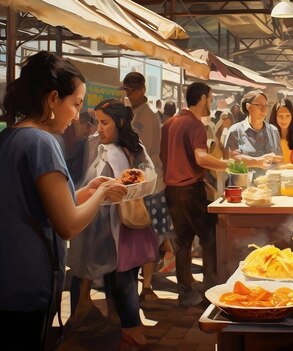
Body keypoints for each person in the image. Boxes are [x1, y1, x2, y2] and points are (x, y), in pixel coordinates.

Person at [0, 51, 127, 351]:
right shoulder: (42, 142)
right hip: (27, 283)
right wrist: (101, 194)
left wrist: (87, 189)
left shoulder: (10, 138)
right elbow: (67, 224)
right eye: (76, 105)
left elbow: (37, 204)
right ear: (53, 98)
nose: (76, 117)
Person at [67, 99, 156, 347]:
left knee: (123, 274)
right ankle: (79, 322)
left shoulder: (133, 147)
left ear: (120, 122)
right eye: (97, 122)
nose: (99, 128)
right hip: (91, 221)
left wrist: (133, 184)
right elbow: (73, 180)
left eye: (104, 122)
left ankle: (128, 326)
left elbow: (148, 174)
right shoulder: (88, 145)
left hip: (122, 222)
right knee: (82, 271)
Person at [161, 82, 234, 306]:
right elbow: (201, 158)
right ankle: (210, 290)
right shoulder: (195, 125)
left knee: (183, 241)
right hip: (190, 190)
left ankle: (185, 291)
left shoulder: (169, 123)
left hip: (171, 190)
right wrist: (226, 165)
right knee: (209, 238)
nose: (210, 103)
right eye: (210, 99)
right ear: (201, 99)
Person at [121, 72, 171, 302]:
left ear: (141, 89)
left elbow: (147, 148)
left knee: (149, 234)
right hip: (136, 183)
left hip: (151, 183)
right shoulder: (131, 113)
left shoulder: (149, 116)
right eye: (126, 90)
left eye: (132, 89)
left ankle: (147, 286)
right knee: (136, 234)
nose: (129, 94)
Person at [224, 90, 282, 173]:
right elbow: (230, 159)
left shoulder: (273, 131)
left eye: (266, 105)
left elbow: (278, 158)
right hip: (243, 183)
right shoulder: (236, 131)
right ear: (248, 106)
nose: (264, 109)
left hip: (269, 183)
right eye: (259, 105)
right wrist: (257, 161)